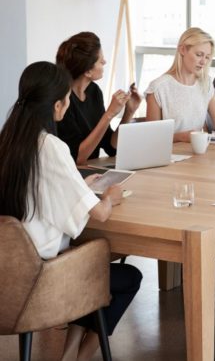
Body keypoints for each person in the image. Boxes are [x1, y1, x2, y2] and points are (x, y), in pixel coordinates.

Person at [0, 62, 142, 361]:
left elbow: (40, 191)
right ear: (57, 104)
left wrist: (79, 186)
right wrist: (110, 196)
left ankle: (68, 357)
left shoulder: (8, 141)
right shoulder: (50, 145)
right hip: (41, 279)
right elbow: (100, 214)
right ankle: (80, 359)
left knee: (87, 264)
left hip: (8, 277)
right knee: (127, 276)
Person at [145, 27, 215, 142]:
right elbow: (151, 136)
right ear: (182, 50)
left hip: (197, 153)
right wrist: (180, 137)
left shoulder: (205, 83)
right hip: (169, 156)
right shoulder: (159, 87)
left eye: (207, 57)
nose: (203, 62)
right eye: (199, 55)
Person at [56, 32, 141, 165]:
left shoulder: (93, 91)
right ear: (87, 71)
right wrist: (109, 115)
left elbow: (111, 147)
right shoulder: (62, 101)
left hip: (91, 171)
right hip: (74, 174)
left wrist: (129, 112)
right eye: (100, 61)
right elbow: (77, 158)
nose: (104, 62)